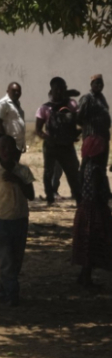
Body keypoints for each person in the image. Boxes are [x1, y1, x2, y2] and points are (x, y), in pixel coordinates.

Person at [0, 135, 36, 307]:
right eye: (2, 148)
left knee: (16, 261)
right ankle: (13, 295)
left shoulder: (23, 171)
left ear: (15, 150)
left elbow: (31, 195)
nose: (6, 151)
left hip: (20, 221)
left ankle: (3, 291)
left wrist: (19, 181)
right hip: (1, 222)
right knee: (6, 261)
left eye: (9, 147)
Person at [72, 112, 112, 289]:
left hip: (85, 210)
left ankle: (84, 276)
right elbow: (98, 193)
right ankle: (86, 279)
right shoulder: (96, 170)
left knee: (87, 244)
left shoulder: (85, 167)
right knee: (95, 244)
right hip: (95, 212)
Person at [34, 76, 82, 204]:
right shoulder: (44, 108)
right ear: (52, 90)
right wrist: (48, 138)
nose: (60, 92)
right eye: (57, 89)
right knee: (49, 171)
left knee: (73, 173)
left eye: (62, 89)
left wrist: (75, 133)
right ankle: (50, 197)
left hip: (67, 146)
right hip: (51, 146)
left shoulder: (72, 104)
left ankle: (79, 200)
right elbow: (38, 129)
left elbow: (80, 122)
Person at [0, 82, 26, 153]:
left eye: (18, 91)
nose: (16, 93)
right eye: (14, 91)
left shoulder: (16, 103)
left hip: (18, 144)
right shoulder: (3, 104)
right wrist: (5, 141)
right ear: (8, 91)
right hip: (8, 145)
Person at [77, 74, 109, 139]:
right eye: (97, 83)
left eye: (101, 83)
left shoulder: (102, 98)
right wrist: (88, 126)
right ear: (91, 84)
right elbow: (78, 117)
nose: (99, 85)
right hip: (91, 137)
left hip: (103, 137)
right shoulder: (86, 98)